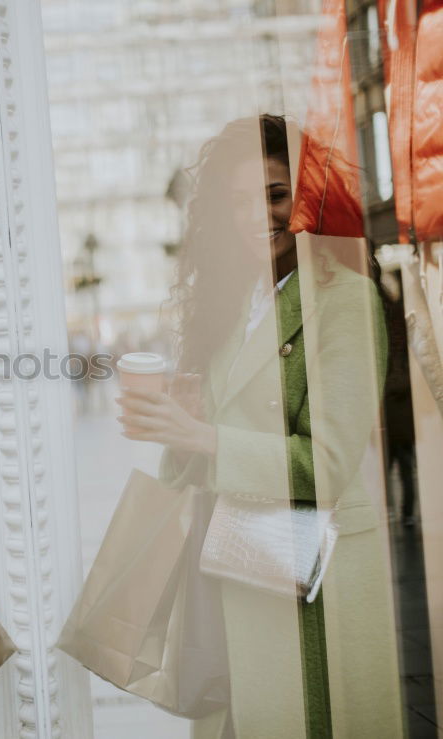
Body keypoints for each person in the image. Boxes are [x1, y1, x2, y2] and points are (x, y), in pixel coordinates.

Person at [119, 116, 404, 737]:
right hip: (235, 565)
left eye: (276, 194)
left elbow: (327, 463)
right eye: (241, 200)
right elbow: (210, 445)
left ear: (310, 195)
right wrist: (175, 425)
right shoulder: (234, 302)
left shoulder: (345, 298)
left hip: (310, 581)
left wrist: (202, 437)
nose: (261, 214)